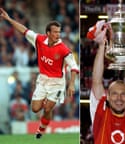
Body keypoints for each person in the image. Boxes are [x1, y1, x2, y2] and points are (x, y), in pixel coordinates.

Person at [0, 8, 79, 138]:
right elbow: (23, 29)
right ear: (48, 33)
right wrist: (8, 19)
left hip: (57, 82)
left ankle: (41, 129)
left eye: (59, 32)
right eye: (55, 32)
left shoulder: (64, 50)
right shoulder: (38, 40)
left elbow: (74, 67)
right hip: (42, 79)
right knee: (35, 109)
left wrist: (71, 84)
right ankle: (44, 104)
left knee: (48, 109)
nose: (58, 35)